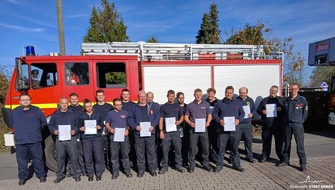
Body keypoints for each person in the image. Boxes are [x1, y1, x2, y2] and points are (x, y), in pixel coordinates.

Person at [10, 94, 47, 185]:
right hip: (20, 141)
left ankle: (41, 175)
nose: (25, 101)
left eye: (27, 99)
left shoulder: (37, 110)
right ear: (19, 102)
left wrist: (36, 130)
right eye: (23, 100)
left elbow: (44, 123)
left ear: (30, 101)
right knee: (22, 161)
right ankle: (22, 177)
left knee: (38, 159)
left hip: (35, 140)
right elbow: (11, 124)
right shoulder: (14, 112)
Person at [212, 86, 245, 173]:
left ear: (233, 93)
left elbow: (242, 113)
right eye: (227, 92)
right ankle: (219, 165)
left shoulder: (237, 103)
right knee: (221, 148)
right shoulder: (219, 103)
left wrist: (239, 120)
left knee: (235, 148)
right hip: (222, 130)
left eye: (230, 93)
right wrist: (219, 121)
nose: (229, 94)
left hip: (234, 130)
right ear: (225, 93)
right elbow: (215, 114)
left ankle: (236, 165)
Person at [128, 90, 160, 177]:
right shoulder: (134, 107)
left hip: (150, 133)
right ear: (138, 97)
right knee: (140, 152)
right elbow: (129, 118)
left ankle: (152, 169)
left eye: (144, 96)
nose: (142, 98)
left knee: (151, 152)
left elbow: (157, 116)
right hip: (138, 134)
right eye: (140, 96)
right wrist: (135, 126)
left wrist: (153, 125)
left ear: (146, 97)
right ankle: (141, 170)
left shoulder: (152, 106)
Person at [48, 97, 81, 183]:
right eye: (62, 103)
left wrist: (75, 131)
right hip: (60, 140)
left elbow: (78, 125)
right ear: (59, 104)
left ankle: (76, 174)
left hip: (71, 139)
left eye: (66, 103)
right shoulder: (55, 115)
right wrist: (54, 130)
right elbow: (50, 125)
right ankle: (60, 175)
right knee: (60, 158)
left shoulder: (74, 114)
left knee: (74, 157)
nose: (64, 105)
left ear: (68, 104)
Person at [278, 83, 308, 172]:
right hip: (287, 125)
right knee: (286, 144)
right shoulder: (286, 100)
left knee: (300, 145)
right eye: (291, 89)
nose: (293, 91)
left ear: (298, 89)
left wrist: (300, 122)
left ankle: (303, 164)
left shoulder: (302, 100)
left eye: (295, 89)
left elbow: (305, 113)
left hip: (298, 125)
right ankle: (285, 160)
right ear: (289, 90)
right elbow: (283, 112)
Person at [184, 88, 212, 173]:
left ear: (202, 95)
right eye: (197, 94)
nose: (198, 96)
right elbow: (186, 117)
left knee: (205, 147)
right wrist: (190, 123)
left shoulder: (206, 105)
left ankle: (205, 164)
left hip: (204, 130)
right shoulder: (190, 105)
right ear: (194, 95)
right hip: (193, 130)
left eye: (200, 94)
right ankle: (192, 165)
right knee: (192, 148)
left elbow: (209, 115)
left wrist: (208, 122)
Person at [158, 90, 185, 174]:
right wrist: (161, 131)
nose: (171, 98)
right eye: (170, 96)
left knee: (178, 149)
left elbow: (182, 116)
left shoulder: (178, 106)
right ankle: (164, 166)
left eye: (173, 96)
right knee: (165, 149)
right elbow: (161, 119)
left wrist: (179, 122)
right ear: (167, 96)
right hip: (166, 131)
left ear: (175, 97)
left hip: (176, 131)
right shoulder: (163, 107)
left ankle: (178, 165)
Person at [257, 85, 285, 163]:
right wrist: (262, 112)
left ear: (277, 92)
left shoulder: (280, 100)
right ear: (270, 90)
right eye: (272, 90)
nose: (273, 92)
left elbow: (286, 111)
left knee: (279, 143)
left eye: (275, 91)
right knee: (266, 142)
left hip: (278, 125)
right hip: (267, 126)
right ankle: (265, 156)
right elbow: (258, 110)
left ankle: (282, 158)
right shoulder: (264, 100)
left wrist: (281, 109)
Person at [105, 98, 132, 179]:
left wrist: (127, 129)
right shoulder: (110, 114)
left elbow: (129, 124)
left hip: (124, 137)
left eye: (120, 104)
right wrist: (110, 129)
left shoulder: (126, 113)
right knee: (114, 156)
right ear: (114, 106)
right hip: (114, 137)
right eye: (117, 105)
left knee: (125, 155)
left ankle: (127, 171)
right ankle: (115, 172)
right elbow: (107, 124)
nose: (119, 106)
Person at [78, 99, 104, 181]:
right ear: (84, 108)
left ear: (92, 106)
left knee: (98, 156)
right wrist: (81, 128)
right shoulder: (81, 116)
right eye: (86, 107)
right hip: (86, 139)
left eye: (89, 106)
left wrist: (100, 127)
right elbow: (78, 127)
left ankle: (98, 174)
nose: (88, 108)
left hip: (96, 138)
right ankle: (90, 175)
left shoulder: (98, 114)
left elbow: (102, 125)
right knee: (88, 157)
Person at [93, 89, 113, 171]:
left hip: (108, 132)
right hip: (98, 133)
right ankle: (102, 165)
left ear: (104, 96)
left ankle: (109, 165)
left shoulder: (109, 107)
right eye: (98, 96)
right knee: (99, 150)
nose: (100, 97)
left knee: (109, 150)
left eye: (101, 95)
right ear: (96, 97)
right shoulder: (94, 108)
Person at [68, 93, 86, 177]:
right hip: (71, 133)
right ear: (70, 100)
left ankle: (83, 170)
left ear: (78, 99)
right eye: (72, 99)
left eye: (75, 99)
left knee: (81, 153)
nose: (74, 100)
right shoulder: (68, 109)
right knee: (71, 153)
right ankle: (71, 170)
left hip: (81, 133)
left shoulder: (82, 108)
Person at [236, 87, 256, 163]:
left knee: (248, 141)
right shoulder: (236, 100)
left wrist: (252, 114)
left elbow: (254, 108)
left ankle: (249, 156)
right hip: (238, 124)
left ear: (246, 93)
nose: (242, 94)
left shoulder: (250, 100)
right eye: (241, 93)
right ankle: (234, 157)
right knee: (236, 141)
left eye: (244, 93)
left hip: (248, 124)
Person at [204, 88, 220, 162]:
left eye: (212, 93)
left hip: (215, 124)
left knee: (215, 141)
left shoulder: (219, 102)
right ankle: (208, 156)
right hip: (207, 124)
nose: (210, 95)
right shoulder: (204, 102)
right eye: (209, 93)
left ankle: (215, 157)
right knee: (207, 142)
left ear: (214, 94)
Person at [177, 91, 190, 166]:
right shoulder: (175, 106)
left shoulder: (187, 106)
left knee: (186, 145)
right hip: (177, 128)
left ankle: (185, 160)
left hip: (186, 128)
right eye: (179, 98)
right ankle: (177, 160)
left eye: (182, 98)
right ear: (177, 98)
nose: (181, 99)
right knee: (178, 145)